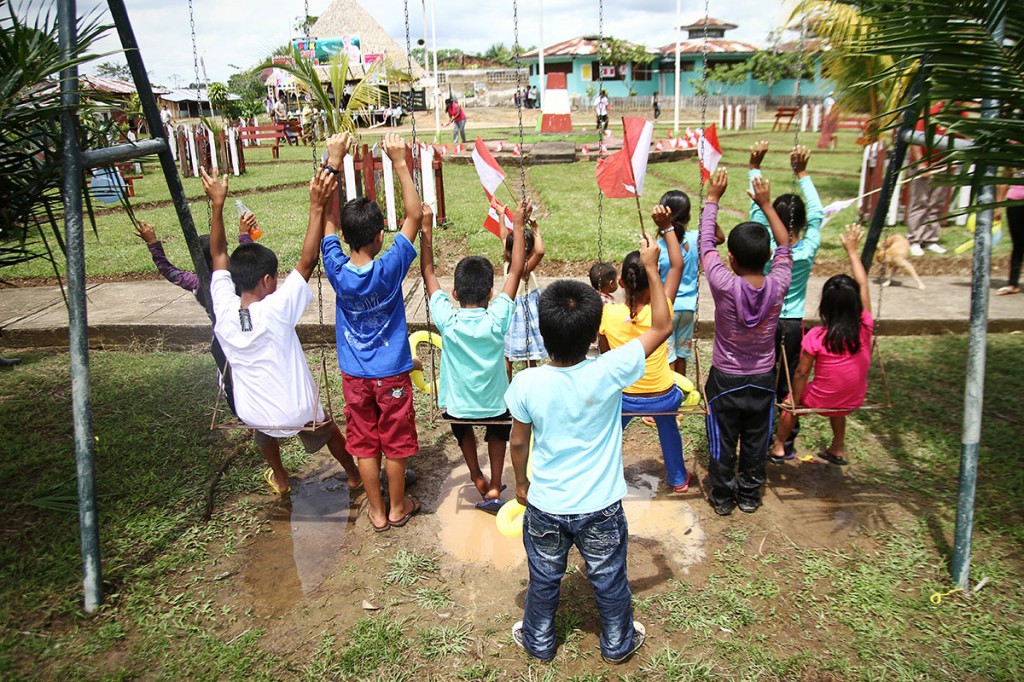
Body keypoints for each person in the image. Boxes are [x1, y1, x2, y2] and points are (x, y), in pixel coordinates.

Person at [505, 236, 672, 664]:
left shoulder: (526, 383)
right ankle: (617, 643)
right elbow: (661, 327)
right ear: (593, 334)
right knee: (609, 578)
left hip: (545, 502)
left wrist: (521, 482)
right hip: (601, 506)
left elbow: (519, 441)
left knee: (544, 578)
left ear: (544, 335)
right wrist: (652, 267)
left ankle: (539, 641)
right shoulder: (611, 370)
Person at [200, 146, 361, 498]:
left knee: (264, 430)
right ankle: (352, 473)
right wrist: (317, 205)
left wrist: (216, 204)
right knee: (327, 428)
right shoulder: (276, 311)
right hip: (295, 410)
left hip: (254, 413)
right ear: (269, 281)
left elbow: (218, 256)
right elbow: (307, 261)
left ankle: (281, 477)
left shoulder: (224, 310)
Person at [322, 132, 424, 532]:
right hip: (393, 374)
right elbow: (414, 216)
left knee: (364, 443)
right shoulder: (390, 267)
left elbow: (328, 221)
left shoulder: (336, 269)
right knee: (395, 440)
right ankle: (399, 507)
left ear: (345, 238)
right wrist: (400, 161)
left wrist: (334, 159)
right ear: (381, 235)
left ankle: (378, 512)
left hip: (355, 376)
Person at [421, 199, 527, 512]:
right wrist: (517, 227)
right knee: (498, 433)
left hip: (458, 408)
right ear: (491, 294)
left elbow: (428, 272)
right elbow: (517, 269)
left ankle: (476, 475)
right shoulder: (496, 319)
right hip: (495, 405)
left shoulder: (447, 319)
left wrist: (426, 230)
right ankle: (495, 483)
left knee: (462, 429)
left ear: (454, 294)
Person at [700, 169, 792, 516]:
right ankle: (750, 495)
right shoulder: (779, 282)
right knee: (756, 438)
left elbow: (707, 245)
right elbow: (786, 244)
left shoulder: (724, 282)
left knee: (722, 437)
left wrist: (713, 199)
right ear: (768, 258)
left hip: (725, 377)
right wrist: (767, 204)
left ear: (732, 260)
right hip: (764, 377)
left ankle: (723, 497)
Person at [599, 209, 689, 493]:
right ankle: (678, 479)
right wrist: (666, 228)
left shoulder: (609, 314)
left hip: (625, 398)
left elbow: (605, 358)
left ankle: (603, 473)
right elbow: (677, 266)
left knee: (609, 433)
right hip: (662, 395)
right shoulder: (661, 313)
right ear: (655, 281)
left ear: (622, 282)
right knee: (668, 427)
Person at [132, 215, 257, 414]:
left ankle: (243, 414)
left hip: (223, 334)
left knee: (230, 378)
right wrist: (244, 235)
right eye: (223, 249)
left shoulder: (197, 283)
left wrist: (153, 243)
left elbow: (168, 270)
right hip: (247, 325)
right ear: (213, 259)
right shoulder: (235, 274)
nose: (228, 252)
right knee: (248, 371)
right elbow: (249, 259)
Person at [771, 224, 873, 466]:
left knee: (791, 402)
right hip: (853, 397)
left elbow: (802, 372)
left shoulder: (818, 336)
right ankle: (837, 447)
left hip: (822, 398)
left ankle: (778, 447)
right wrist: (852, 251)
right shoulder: (865, 324)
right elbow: (864, 285)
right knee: (838, 400)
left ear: (825, 305)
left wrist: (794, 398)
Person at [748, 141, 824, 461]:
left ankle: (759, 434)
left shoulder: (766, 253)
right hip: (793, 325)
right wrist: (802, 173)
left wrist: (755, 166)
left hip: (765, 320)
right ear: (803, 224)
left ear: (770, 223)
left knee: (764, 376)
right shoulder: (805, 251)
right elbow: (819, 214)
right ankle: (785, 441)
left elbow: (755, 212)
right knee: (790, 382)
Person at [655, 190, 723, 378]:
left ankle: (670, 392)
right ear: (689, 216)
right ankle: (684, 391)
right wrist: (708, 219)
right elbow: (719, 238)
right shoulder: (695, 239)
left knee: (668, 357)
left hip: (667, 308)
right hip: (688, 308)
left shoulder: (657, 246)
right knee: (682, 355)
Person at [502, 218, 547, 380]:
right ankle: (531, 386)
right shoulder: (523, 268)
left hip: (509, 314)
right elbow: (540, 252)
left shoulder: (509, 263)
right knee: (530, 357)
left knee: (506, 355)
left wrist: (501, 216)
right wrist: (536, 228)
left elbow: (502, 237)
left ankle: (506, 389)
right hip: (523, 317)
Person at [906, 102, 950, 256]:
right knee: (920, 202)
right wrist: (921, 163)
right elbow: (916, 139)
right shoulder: (930, 113)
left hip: (943, 166)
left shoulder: (960, 115)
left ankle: (930, 239)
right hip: (924, 165)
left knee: (937, 204)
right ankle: (914, 240)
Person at [997, 169, 1024, 295]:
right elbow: (1004, 178)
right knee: (1018, 244)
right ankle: (1013, 283)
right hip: (1014, 201)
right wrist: (998, 205)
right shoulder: (1013, 154)